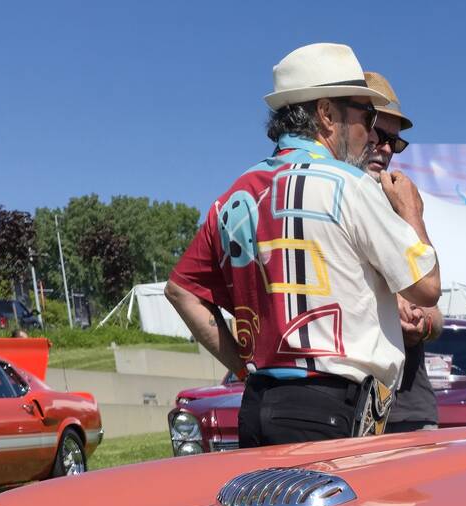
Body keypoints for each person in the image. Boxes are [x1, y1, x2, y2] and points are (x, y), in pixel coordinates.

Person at [165, 43, 440, 448]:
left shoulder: (235, 196)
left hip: (257, 403)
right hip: (331, 408)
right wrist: (411, 212)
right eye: (366, 116)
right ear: (326, 113)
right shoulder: (350, 186)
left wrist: (244, 368)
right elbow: (427, 288)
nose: (370, 133)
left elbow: (181, 291)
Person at [357, 69, 443, 434]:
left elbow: (434, 307)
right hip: (348, 406)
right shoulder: (325, 200)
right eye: (380, 134)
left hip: (409, 407)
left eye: (396, 141)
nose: (388, 149)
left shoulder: (401, 202)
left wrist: (420, 324)